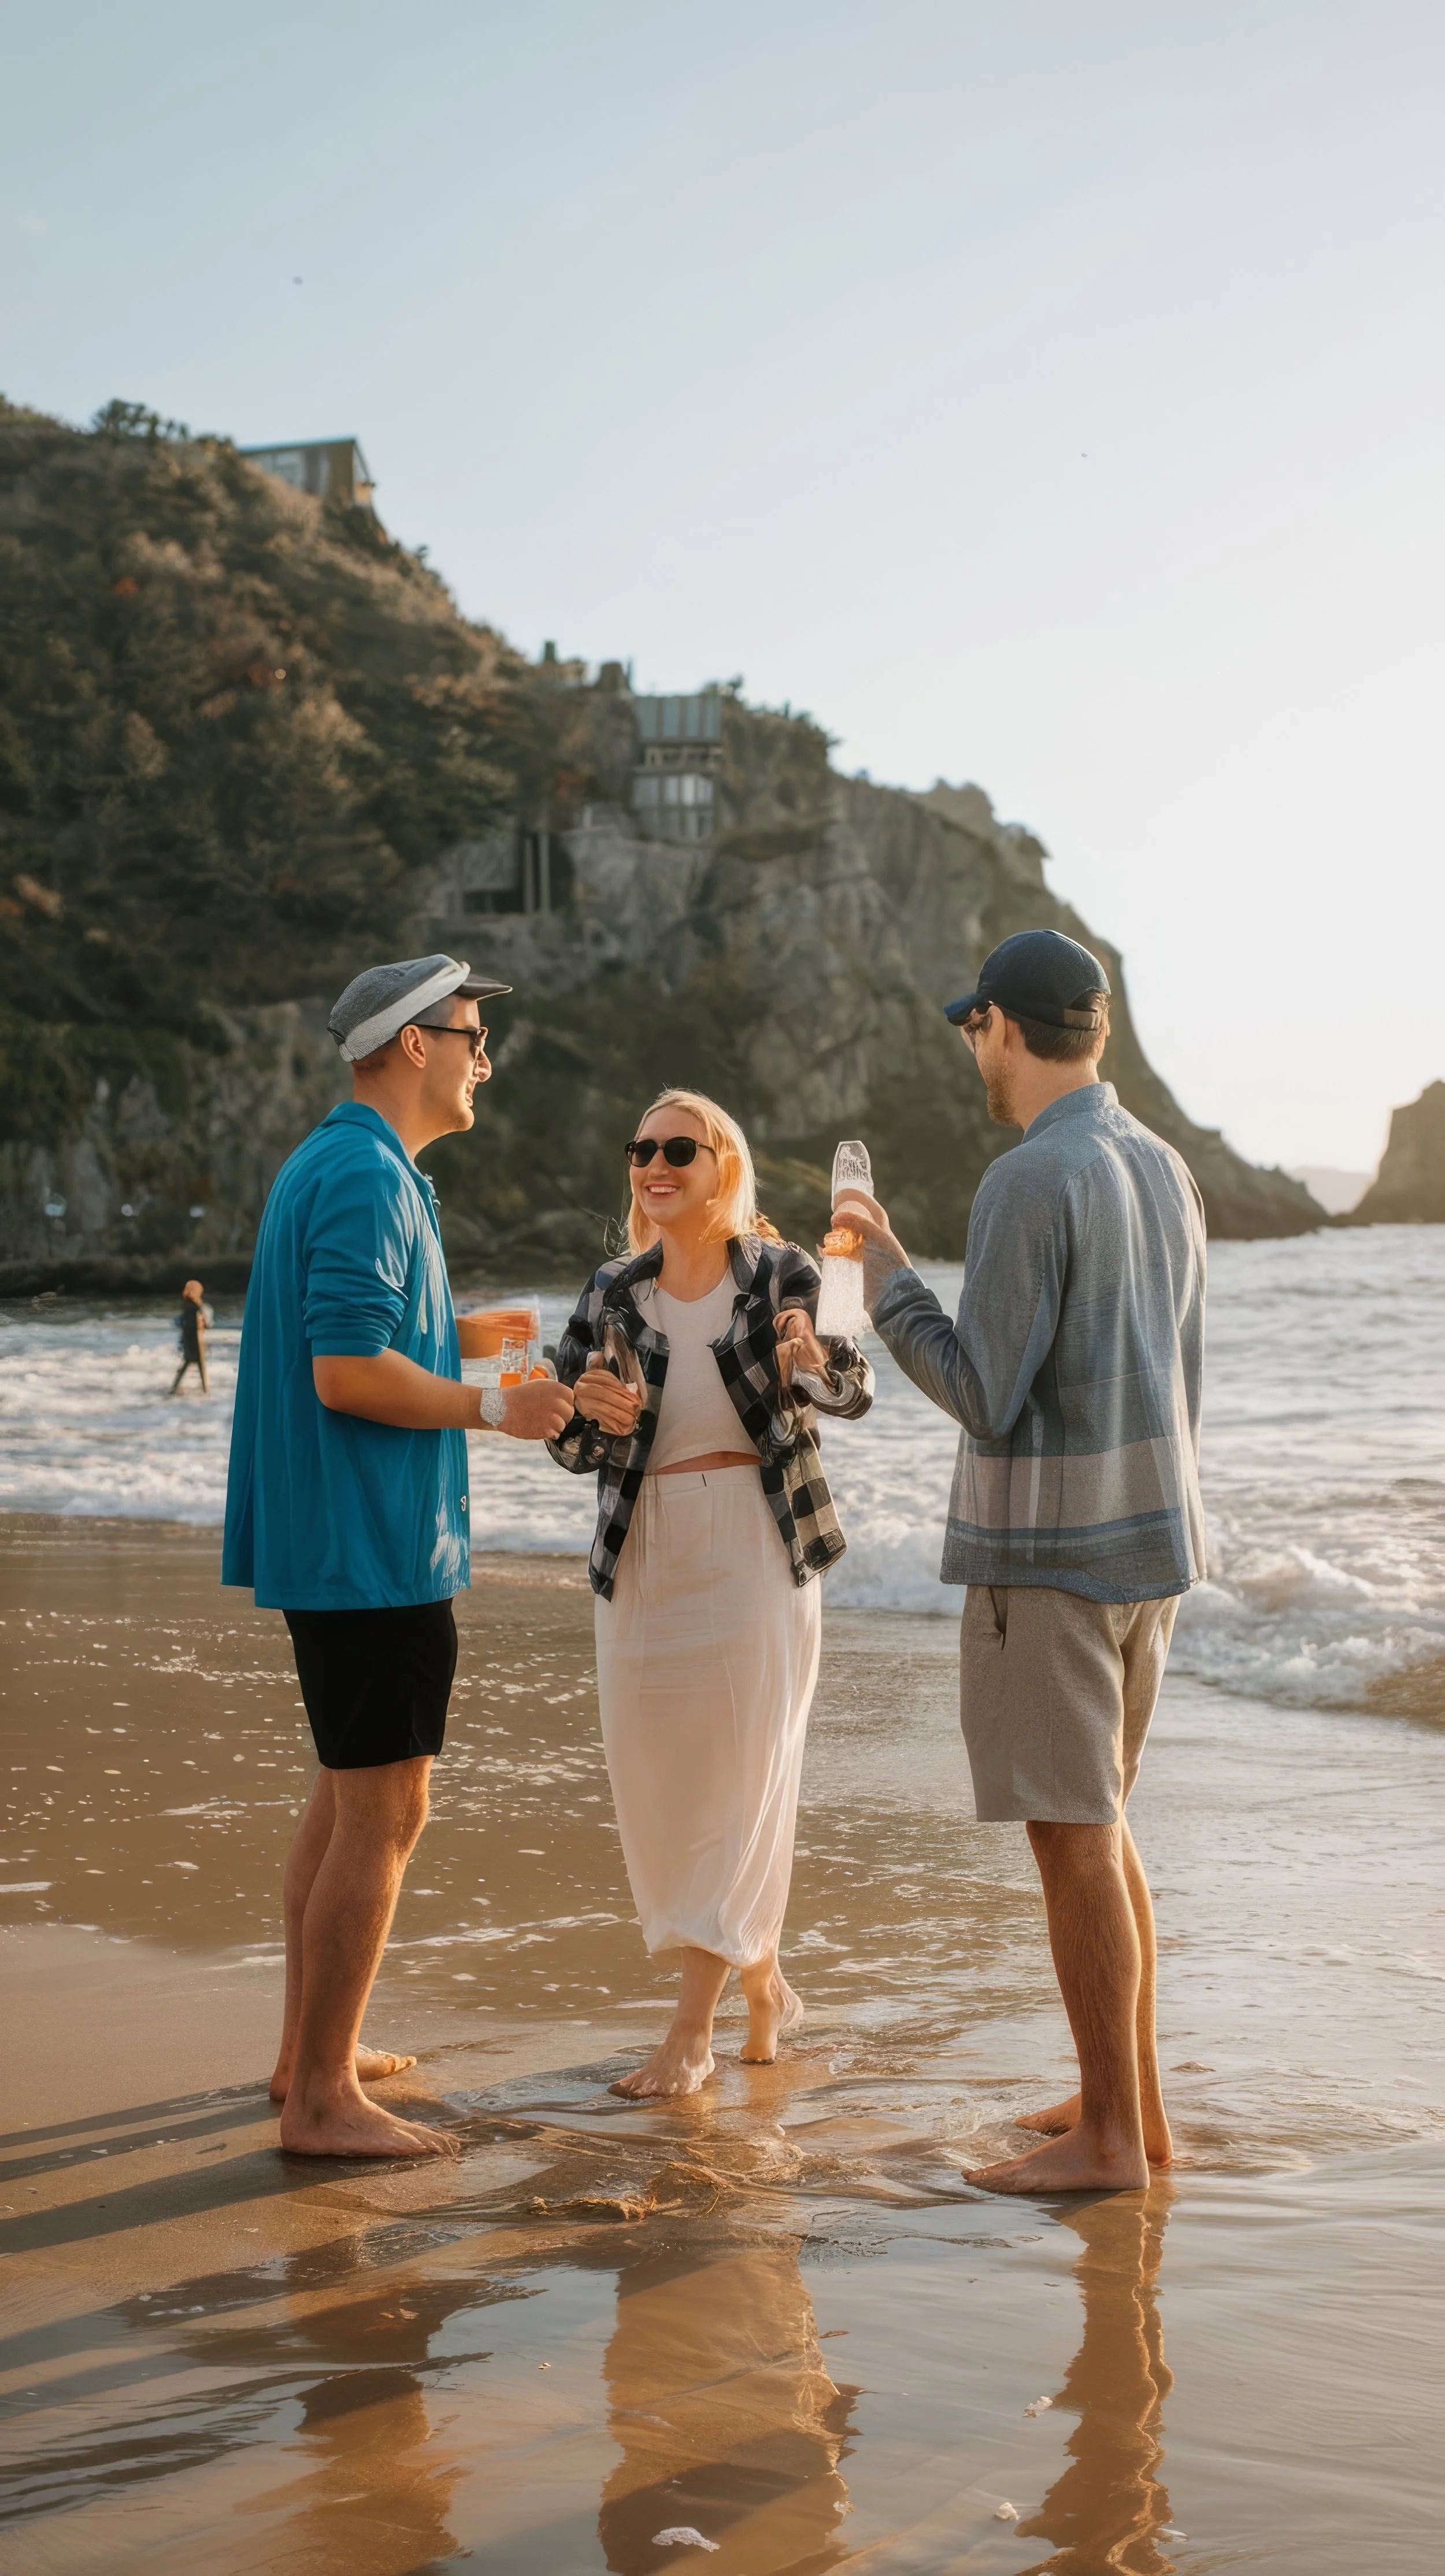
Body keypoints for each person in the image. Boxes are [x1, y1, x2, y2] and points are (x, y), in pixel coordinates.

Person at [222, 955, 628, 2160]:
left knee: (346, 1800)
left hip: (345, 1535)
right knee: (387, 1809)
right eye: (470, 1034)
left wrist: (501, 1367)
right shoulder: (361, 1174)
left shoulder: (353, 1164)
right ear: (412, 1043)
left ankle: (310, 2055)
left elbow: (369, 1333)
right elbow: (344, 1371)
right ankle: (321, 2103)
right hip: (370, 1543)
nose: (482, 1058)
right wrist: (485, 1407)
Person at [839, 930, 1206, 2195]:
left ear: (999, 1023)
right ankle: (1130, 2104)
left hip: (1046, 1559)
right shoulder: (1162, 1165)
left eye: (971, 1027)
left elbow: (980, 1391)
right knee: (1101, 1830)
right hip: (1149, 1544)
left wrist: (884, 1273)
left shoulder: (1025, 1176)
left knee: (1071, 1839)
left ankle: (1106, 2136)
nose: (971, 1051)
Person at [549, 1088, 873, 2099]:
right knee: (660, 1786)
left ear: (722, 1162)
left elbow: (850, 1390)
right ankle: (764, 1983)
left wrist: (811, 1361)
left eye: (677, 1147)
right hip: (643, 1548)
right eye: (642, 1147)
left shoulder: (783, 1272)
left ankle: (691, 2029)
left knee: (741, 1783)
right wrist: (584, 1410)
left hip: (754, 1544)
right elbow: (566, 1439)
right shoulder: (611, 1289)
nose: (654, 1163)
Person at [168, 1278, 212, 1395]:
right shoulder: (200, 1308)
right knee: (201, 1365)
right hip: (198, 1340)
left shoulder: (186, 1308)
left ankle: (174, 1389)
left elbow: (178, 1323)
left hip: (187, 1339)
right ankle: (205, 1390)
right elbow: (207, 1324)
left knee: (186, 1363)